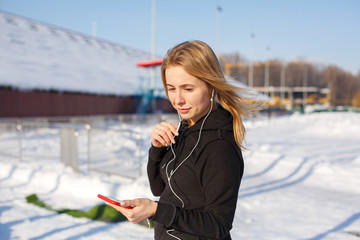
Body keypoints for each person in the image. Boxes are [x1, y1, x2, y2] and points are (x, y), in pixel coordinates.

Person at [106, 40, 259, 239]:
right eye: (171, 88)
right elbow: (161, 189)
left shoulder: (219, 146)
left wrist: (155, 210)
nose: (177, 100)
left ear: (211, 87)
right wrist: (157, 150)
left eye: (188, 89)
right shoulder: (187, 128)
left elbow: (219, 225)